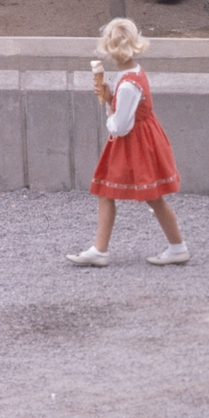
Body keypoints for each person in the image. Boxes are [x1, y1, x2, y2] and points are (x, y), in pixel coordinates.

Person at [66, 18, 189, 268]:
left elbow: (121, 126)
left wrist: (109, 108)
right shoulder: (135, 73)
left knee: (127, 193)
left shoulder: (127, 86)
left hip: (135, 143)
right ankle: (174, 247)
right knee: (134, 194)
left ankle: (174, 248)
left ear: (109, 49)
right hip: (145, 138)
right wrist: (111, 97)